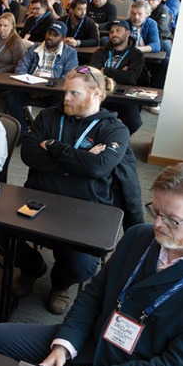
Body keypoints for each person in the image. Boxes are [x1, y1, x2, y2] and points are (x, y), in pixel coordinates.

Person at [0, 161, 183, 366]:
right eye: (156, 211)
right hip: (97, 343)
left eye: (172, 219)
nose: (157, 224)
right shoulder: (139, 236)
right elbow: (94, 295)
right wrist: (65, 346)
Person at [13, 66, 136, 314]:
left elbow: (98, 166)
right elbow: (28, 153)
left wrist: (54, 147)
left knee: (84, 264)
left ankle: (60, 283)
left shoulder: (115, 130)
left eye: (74, 93)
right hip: (39, 199)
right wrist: (79, 161)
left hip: (85, 209)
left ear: (96, 94)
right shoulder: (48, 116)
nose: (65, 98)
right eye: (65, 92)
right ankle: (33, 267)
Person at [8, 22, 79, 135]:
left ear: (62, 38)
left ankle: (44, 133)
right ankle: (23, 131)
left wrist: (46, 89)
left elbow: (68, 76)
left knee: (61, 103)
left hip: (53, 92)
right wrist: (31, 86)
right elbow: (21, 68)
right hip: (30, 88)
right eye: (49, 33)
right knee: (12, 97)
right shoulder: (33, 49)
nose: (50, 37)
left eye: (55, 35)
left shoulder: (70, 53)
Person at [92, 19, 147, 134]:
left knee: (134, 122)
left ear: (128, 33)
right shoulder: (100, 52)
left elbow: (131, 79)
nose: (114, 34)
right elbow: (93, 75)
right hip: (102, 93)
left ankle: (119, 138)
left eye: (118, 30)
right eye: (111, 32)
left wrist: (106, 70)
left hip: (124, 96)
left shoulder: (136, 54)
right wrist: (121, 72)